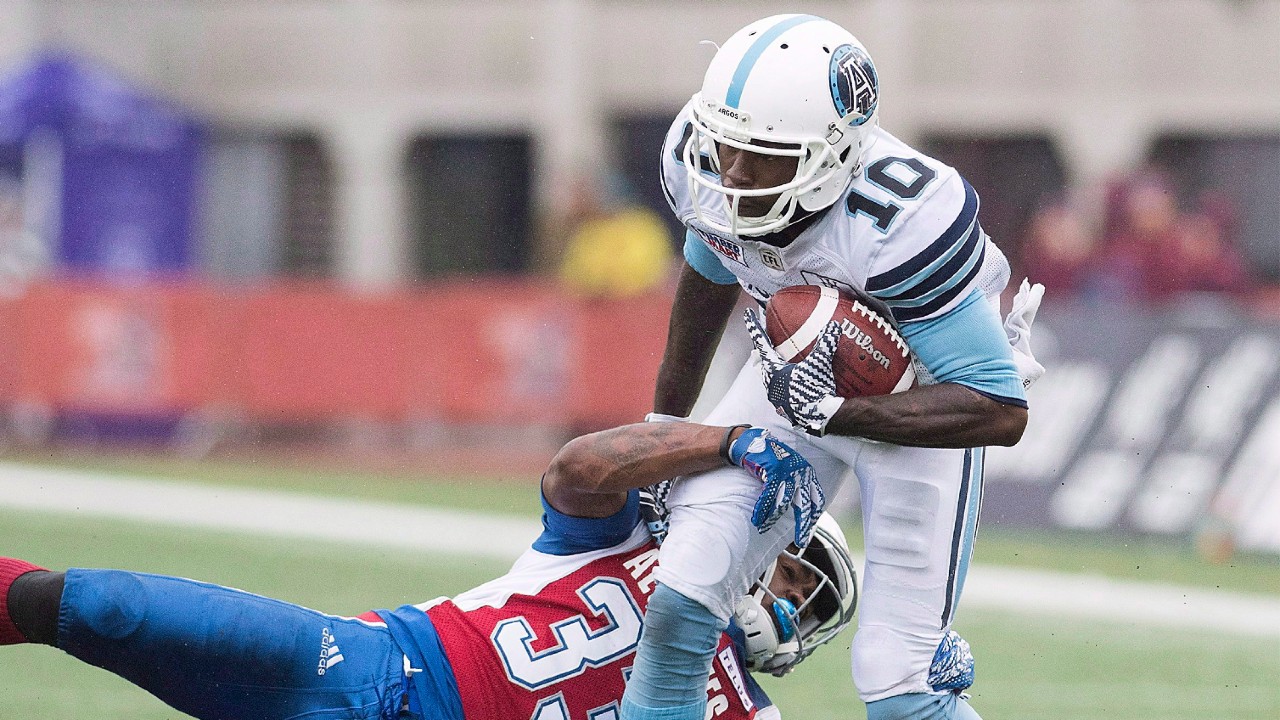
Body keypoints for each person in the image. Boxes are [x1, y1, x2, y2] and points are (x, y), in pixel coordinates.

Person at [623, 14, 1043, 720]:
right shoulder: (697, 162)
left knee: (897, 681)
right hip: (786, 383)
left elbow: (1000, 411)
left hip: (917, 414)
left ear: (836, 154)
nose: (734, 172)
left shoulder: (904, 216)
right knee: (679, 602)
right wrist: (666, 429)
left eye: (763, 156)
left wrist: (838, 413)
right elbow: (708, 272)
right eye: (729, 146)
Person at [0, 421, 857, 720]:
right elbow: (575, 470)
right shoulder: (628, 544)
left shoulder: (745, 712)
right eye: (781, 567)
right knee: (98, 605)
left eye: (799, 594)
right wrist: (726, 442)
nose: (774, 592)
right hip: (367, 664)